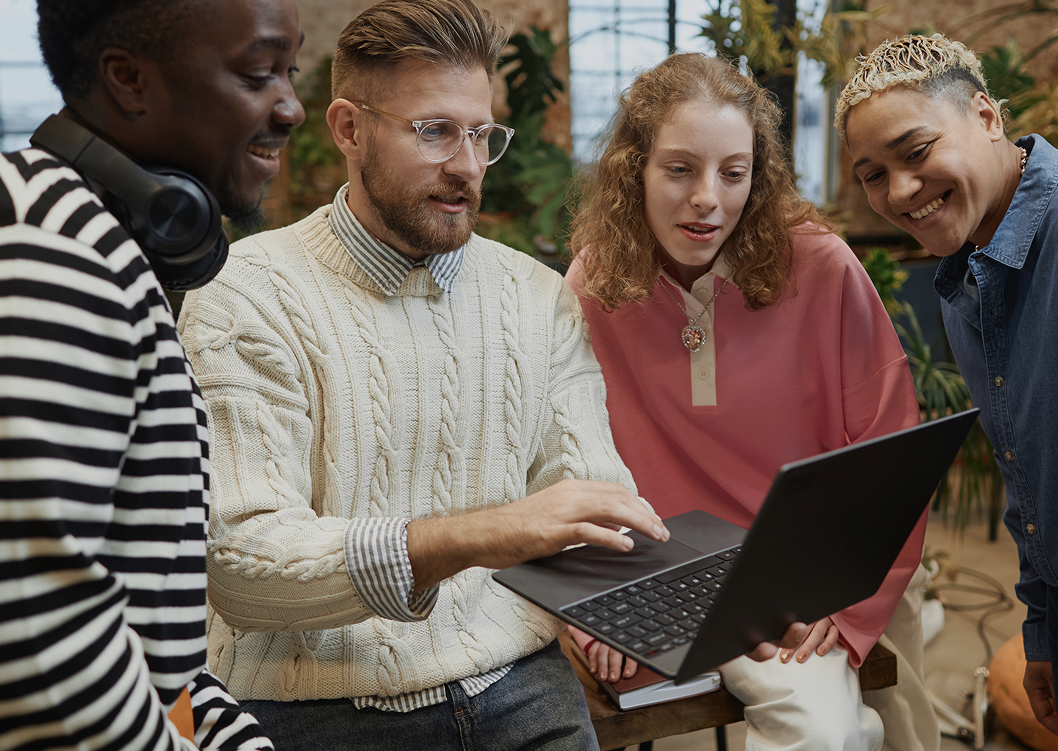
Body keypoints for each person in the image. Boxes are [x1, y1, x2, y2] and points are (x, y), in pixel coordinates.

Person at [174, 1, 671, 749]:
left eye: (480, 134)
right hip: (314, 707)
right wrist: (473, 534)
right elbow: (244, 570)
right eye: (434, 131)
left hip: (521, 683)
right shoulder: (243, 294)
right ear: (348, 128)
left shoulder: (536, 298)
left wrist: (723, 605)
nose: (468, 166)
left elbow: (590, 510)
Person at [564, 52, 936, 751]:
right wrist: (589, 605)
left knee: (827, 733)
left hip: (795, 579)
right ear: (634, 168)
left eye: (733, 174)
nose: (709, 197)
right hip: (656, 577)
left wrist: (850, 603)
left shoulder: (821, 266)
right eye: (679, 169)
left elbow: (893, 454)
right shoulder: (596, 281)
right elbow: (560, 455)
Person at [0, 0, 305, 749]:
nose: (291, 107)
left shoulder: (96, 242)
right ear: (128, 79)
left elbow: (154, 650)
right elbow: (38, 635)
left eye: (289, 73)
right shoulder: (55, 253)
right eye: (259, 73)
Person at [837, 33, 1058, 749]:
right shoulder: (965, 277)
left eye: (916, 152)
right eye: (873, 174)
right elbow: (1026, 471)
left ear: (985, 116)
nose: (901, 191)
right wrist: (1042, 627)